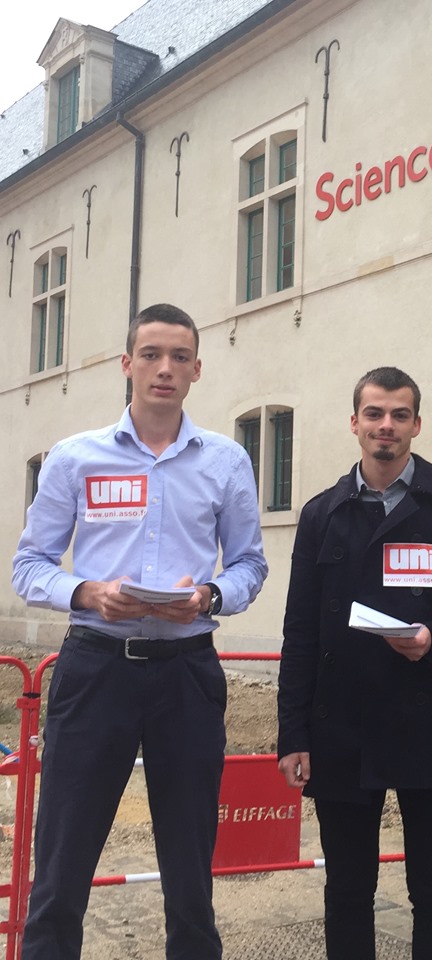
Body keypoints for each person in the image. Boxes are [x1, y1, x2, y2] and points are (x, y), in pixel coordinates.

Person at [12, 303, 268, 960]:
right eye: (151, 354)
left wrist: (210, 595)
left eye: (179, 357)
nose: (164, 369)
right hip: (95, 668)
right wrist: (86, 592)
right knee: (62, 859)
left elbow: (249, 563)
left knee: (190, 866)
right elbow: (29, 565)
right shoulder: (75, 458)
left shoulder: (226, 461)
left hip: (186, 672)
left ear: (197, 370)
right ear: (127, 364)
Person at [276, 366, 432, 960]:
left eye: (399, 415)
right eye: (375, 414)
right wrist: (292, 733)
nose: (387, 425)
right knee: (347, 891)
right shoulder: (322, 513)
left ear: (416, 425)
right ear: (354, 423)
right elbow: (300, 632)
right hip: (341, 727)